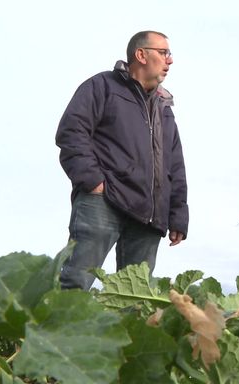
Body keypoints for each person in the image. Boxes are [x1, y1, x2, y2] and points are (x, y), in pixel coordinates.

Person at [55, 31, 189, 290]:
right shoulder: (102, 86)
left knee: (136, 299)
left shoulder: (164, 107)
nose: (169, 60)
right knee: (75, 282)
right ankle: (58, 331)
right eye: (164, 53)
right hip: (104, 202)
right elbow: (72, 132)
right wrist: (93, 182)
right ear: (141, 54)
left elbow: (175, 165)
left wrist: (177, 214)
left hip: (150, 217)